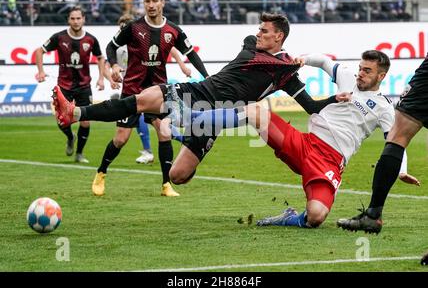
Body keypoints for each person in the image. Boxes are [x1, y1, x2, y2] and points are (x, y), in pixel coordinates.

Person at [52, 12, 345, 188]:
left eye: (264, 31)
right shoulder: (250, 45)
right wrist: (288, 61)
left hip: (212, 120)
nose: (258, 33)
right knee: (141, 100)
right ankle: (75, 113)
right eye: (259, 29)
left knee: (178, 176)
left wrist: (336, 96)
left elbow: (312, 107)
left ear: (279, 36)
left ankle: (186, 144)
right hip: (196, 94)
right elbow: (257, 50)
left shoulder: (286, 75)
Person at [242, 51, 419, 228]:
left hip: (329, 162)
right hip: (304, 143)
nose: (361, 74)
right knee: (253, 112)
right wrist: (304, 59)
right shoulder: (347, 77)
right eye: (360, 68)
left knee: (316, 217)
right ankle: (214, 122)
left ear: (381, 76)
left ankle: (289, 217)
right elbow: (324, 61)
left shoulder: (384, 108)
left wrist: (401, 170)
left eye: (367, 71)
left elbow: (396, 142)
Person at [85, 0, 209, 197]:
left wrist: (206, 78)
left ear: (162, 3)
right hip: (133, 90)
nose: (151, 5)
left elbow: (192, 54)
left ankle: (166, 185)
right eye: (147, 1)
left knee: (164, 134)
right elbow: (110, 47)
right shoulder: (133, 28)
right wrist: (114, 66)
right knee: (121, 139)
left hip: (159, 91)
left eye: (154, 1)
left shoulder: (173, 30)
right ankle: (101, 173)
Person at [336, 54, 426, 239]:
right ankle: (372, 215)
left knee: (398, 134)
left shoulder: (382, 106)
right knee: (398, 133)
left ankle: (373, 215)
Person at [106, 13, 191, 165]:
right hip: (130, 88)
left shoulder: (144, 39)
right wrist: (111, 74)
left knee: (159, 125)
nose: (123, 32)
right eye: (121, 29)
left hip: (151, 87)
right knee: (122, 137)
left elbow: (171, 48)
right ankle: (177, 142)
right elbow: (108, 62)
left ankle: (154, 152)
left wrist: (182, 65)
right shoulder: (119, 49)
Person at [36, 6, 105, 163]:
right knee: (62, 120)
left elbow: (100, 58)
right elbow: (39, 51)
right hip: (64, 85)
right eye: (72, 18)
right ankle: (70, 136)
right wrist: (41, 71)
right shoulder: (59, 37)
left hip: (83, 86)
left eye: (78, 18)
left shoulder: (91, 39)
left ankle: (79, 153)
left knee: (86, 121)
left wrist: (101, 78)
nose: (75, 21)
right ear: (68, 20)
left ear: (84, 19)